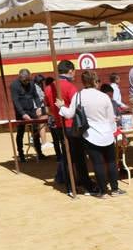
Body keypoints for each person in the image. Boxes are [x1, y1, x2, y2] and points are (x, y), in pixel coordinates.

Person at [58, 70, 125, 198]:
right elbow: (111, 118)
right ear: (95, 81)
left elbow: (69, 114)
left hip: (90, 135)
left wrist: (61, 106)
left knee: (98, 164)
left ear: (83, 82)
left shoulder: (78, 96)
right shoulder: (104, 96)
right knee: (111, 162)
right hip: (107, 134)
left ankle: (103, 191)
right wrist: (112, 132)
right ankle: (115, 189)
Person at [56, 60, 95, 195]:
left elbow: (49, 109)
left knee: (67, 157)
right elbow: (78, 107)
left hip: (58, 126)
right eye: (74, 72)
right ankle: (86, 183)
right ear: (70, 71)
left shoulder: (50, 87)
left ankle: (69, 185)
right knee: (79, 157)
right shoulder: (70, 87)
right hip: (71, 126)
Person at [10, 68, 45, 162]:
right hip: (20, 112)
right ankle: (21, 154)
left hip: (31, 110)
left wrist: (38, 107)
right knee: (20, 132)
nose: (26, 82)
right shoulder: (14, 85)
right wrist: (23, 114)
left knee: (36, 131)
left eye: (28, 80)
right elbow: (16, 101)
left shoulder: (31, 83)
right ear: (20, 78)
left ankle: (39, 152)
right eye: (24, 81)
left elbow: (36, 96)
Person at [43, 77, 64, 163]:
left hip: (52, 118)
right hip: (59, 117)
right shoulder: (58, 92)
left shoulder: (46, 92)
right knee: (62, 139)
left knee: (55, 140)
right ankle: (64, 156)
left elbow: (46, 107)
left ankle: (58, 157)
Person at [33, 74, 54, 153]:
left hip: (38, 107)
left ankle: (42, 140)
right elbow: (40, 98)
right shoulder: (36, 87)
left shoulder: (35, 87)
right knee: (42, 123)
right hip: (38, 108)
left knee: (42, 123)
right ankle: (44, 142)